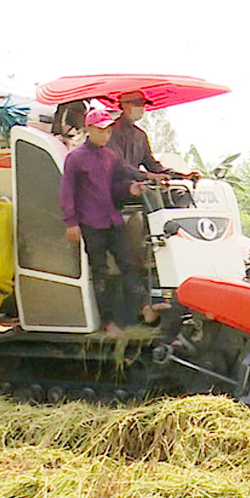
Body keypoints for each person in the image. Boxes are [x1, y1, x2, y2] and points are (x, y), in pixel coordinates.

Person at [61, 107, 167, 336]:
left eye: (109, 131)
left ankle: (144, 307)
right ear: (89, 130)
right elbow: (67, 192)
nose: (106, 135)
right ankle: (108, 322)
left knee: (129, 263)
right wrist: (71, 222)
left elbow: (118, 183)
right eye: (101, 131)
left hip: (112, 218)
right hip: (90, 222)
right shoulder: (75, 158)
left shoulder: (110, 156)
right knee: (100, 272)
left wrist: (135, 186)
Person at [106, 92, 200, 182]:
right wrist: (147, 176)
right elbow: (119, 166)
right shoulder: (110, 131)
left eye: (143, 105)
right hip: (114, 188)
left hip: (136, 186)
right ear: (124, 105)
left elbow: (153, 166)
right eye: (137, 104)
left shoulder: (140, 135)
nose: (141, 108)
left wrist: (184, 176)